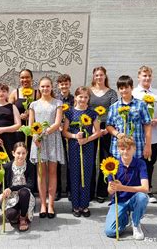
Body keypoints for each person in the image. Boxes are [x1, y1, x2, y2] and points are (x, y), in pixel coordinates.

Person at [29, 76, 64, 219]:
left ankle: (51, 205)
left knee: (52, 172)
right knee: (41, 173)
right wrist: (35, 137)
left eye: (47, 86)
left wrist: (43, 133)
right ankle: (43, 203)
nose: (45, 89)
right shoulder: (33, 105)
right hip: (38, 141)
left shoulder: (58, 103)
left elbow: (57, 123)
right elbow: (31, 124)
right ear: (39, 87)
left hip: (52, 139)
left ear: (52, 87)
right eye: (42, 86)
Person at [63, 86, 100, 217]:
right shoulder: (70, 113)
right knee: (75, 175)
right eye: (80, 96)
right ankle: (75, 206)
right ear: (76, 97)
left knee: (86, 175)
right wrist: (75, 136)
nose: (83, 99)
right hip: (74, 147)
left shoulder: (92, 113)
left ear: (88, 99)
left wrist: (86, 139)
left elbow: (98, 132)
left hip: (88, 147)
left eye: (85, 97)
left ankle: (84, 205)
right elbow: (64, 132)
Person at [104, 136, 149, 240]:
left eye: (129, 148)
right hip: (119, 201)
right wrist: (113, 187)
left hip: (135, 199)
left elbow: (145, 188)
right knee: (110, 232)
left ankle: (136, 223)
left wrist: (122, 187)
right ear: (118, 149)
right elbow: (109, 191)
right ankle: (125, 218)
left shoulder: (140, 164)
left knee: (142, 197)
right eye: (122, 149)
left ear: (134, 149)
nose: (125, 152)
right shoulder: (113, 165)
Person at [132, 66, 157, 203]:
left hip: (154, 135)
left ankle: (148, 190)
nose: (147, 78)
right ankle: (135, 189)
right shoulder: (133, 93)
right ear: (139, 77)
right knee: (137, 162)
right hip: (137, 136)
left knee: (150, 163)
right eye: (144, 75)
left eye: (149, 76)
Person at [89, 66, 118, 203]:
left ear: (105, 76)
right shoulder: (88, 92)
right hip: (91, 128)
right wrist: (94, 128)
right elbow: (85, 108)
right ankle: (89, 191)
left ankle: (102, 191)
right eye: (96, 75)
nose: (99, 77)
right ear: (93, 77)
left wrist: (107, 128)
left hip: (107, 128)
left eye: (101, 75)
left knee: (105, 160)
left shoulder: (111, 93)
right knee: (90, 159)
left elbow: (114, 111)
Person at [106, 75, 152, 160]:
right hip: (118, 151)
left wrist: (148, 145)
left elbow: (147, 125)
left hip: (137, 150)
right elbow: (109, 125)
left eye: (126, 87)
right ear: (118, 90)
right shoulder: (114, 107)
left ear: (132, 88)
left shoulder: (141, 105)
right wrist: (117, 134)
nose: (124, 90)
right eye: (121, 88)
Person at [0, 142, 35, 232]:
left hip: (25, 196)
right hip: (11, 197)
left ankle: (23, 217)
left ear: (27, 153)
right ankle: (18, 213)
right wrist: (2, 193)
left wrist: (11, 188)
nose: (21, 156)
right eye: (18, 153)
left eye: (23, 153)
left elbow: (30, 186)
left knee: (24, 192)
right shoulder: (7, 167)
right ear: (13, 153)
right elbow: (4, 185)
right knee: (10, 215)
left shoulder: (30, 166)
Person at [8, 68, 40, 144]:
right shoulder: (15, 93)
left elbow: (41, 110)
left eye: (27, 77)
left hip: (33, 128)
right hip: (18, 128)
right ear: (19, 79)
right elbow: (8, 110)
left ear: (31, 78)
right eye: (22, 77)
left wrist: (31, 114)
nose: (25, 79)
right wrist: (18, 116)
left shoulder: (37, 93)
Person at [55, 74, 74, 201]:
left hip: (71, 132)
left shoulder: (74, 99)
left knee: (71, 162)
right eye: (62, 84)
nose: (64, 86)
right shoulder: (56, 99)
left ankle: (69, 190)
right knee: (57, 162)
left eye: (66, 84)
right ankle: (57, 190)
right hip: (57, 133)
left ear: (70, 84)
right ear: (58, 86)